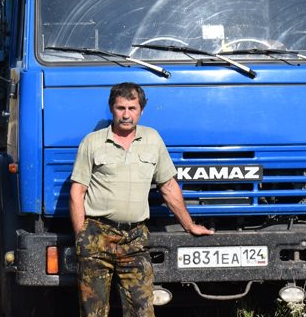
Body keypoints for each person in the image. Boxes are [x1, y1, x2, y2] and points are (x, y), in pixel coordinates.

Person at [70, 82, 213, 317]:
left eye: (132, 108)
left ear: (141, 110)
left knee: (142, 310)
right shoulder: (92, 142)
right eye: (121, 108)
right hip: (97, 236)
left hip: (135, 239)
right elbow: (78, 191)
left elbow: (168, 186)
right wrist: (81, 237)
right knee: (93, 312)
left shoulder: (153, 140)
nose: (126, 115)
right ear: (111, 109)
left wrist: (189, 225)